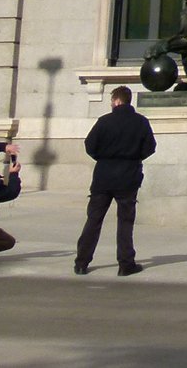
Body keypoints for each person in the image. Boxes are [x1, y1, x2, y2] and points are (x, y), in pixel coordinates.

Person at [74, 84, 157, 276]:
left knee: (93, 220)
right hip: (128, 175)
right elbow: (150, 147)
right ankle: (125, 263)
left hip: (103, 175)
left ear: (116, 101)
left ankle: (81, 262)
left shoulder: (104, 121)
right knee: (125, 222)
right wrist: (134, 157)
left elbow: (90, 145)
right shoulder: (141, 122)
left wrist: (103, 158)